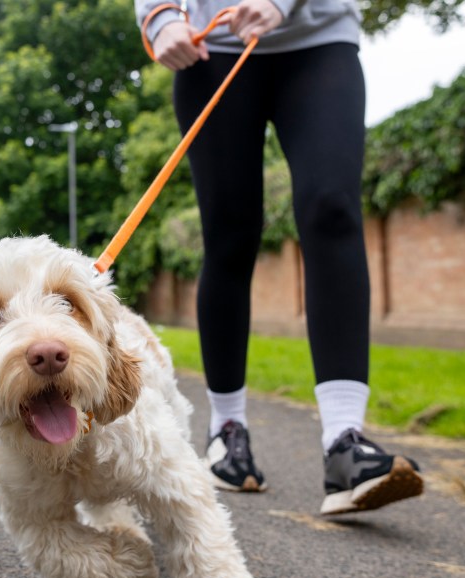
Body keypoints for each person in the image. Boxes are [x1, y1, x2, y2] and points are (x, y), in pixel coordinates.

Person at [134, 0, 423, 515]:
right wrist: (160, 15)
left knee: (333, 208)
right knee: (229, 235)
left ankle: (344, 442)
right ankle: (227, 432)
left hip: (319, 38)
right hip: (211, 48)